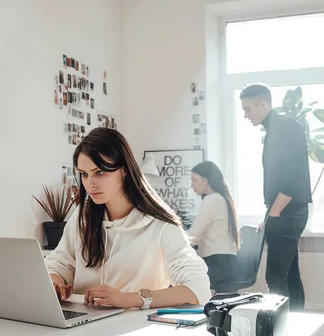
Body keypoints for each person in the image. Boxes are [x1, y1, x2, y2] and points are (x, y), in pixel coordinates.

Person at [45, 127, 211, 309]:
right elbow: (60, 263)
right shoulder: (82, 216)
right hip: (80, 324)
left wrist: (129, 299)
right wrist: (55, 282)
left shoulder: (161, 225)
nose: (90, 184)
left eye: (99, 172)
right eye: (84, 174)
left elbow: (198, 288)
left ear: (124, 170)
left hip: (130, 328)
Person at [240, 83, 312, 311]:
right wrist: (270, 214)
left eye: (248, 109)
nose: (245, 115)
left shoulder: (286, 126)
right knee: (289, 275)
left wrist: (275, 212)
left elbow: (293, 175)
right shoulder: (275, 130)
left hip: (288, 213)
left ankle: (283, 332)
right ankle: (298, 329)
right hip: (284, 212)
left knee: (275, 276)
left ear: (263, 104)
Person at [188, 161, 240, 292]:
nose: (192, 185)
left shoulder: (212, 199)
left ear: (206, 179)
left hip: (218, 264)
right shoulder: (222, 198)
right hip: (227, 264)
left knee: (177, 278)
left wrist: (172, 245)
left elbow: (193, 236)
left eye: (194, 180)